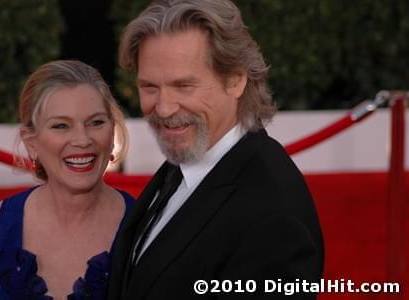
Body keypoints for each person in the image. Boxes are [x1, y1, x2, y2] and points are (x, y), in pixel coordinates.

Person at [108, 0, 324, 299]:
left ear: (235, 80)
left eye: (184, 86)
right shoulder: (187, 162)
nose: (164, 108)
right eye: (149, 87)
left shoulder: (272, 213)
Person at [0, 60, 135, 299]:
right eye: (61, 126)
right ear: (31, 143)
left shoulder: (146, 230)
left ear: (111, 131)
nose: (82, 140)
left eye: (96, 122)